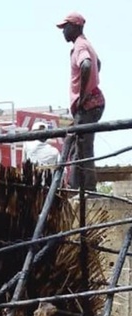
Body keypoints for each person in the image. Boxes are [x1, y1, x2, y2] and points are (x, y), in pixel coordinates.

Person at [57, 11, 104, 192]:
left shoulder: (80, 46)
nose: (63, 31)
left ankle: (88, 190)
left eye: (66, 27)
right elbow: (97, 63)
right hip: (92, 102)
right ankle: (77, 188)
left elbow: (87, 64)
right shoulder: (85, 44)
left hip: (88, 104)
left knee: (84, 148)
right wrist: (92, 82)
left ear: (75, 27)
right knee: (78, 146)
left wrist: (83, 94)